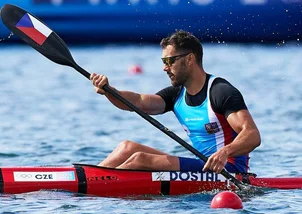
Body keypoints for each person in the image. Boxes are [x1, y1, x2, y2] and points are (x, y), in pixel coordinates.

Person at [90, 30, 261, 173]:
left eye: (170, 61)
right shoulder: (177, 94)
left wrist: (225, 152)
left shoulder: (220, 92)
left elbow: (252, 135)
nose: (165, 67)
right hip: (201, 166)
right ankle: (91, 176)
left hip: (227, 169)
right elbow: (138, 102)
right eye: (164, 62)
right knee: (127, 148)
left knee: (141, 159)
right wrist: (109, 91)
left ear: (189, 59)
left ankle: (96, 187)